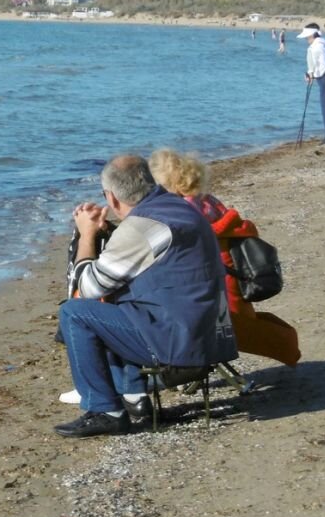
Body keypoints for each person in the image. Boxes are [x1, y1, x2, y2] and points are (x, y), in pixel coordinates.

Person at [54, 155, 237, 438]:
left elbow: (88, 288)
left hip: (180, 345)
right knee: (119, 303)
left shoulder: (141, 227)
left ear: (111, 198)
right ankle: (132, 394)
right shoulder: (181, 208)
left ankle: (106, 411)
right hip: (212, 335)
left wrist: (87, 235)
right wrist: (112, 233)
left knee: (74, 313)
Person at [149, 149, 301, 366]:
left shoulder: (184, 209)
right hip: (232, 265)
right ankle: (284, 344)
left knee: (235, 325)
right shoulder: (207, 200)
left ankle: (285, 346)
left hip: (218, 269)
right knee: (243, 320)